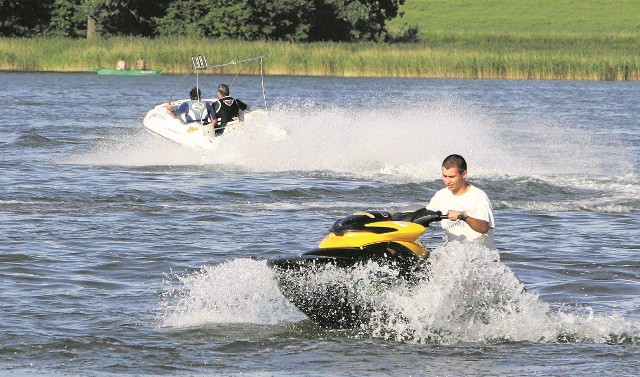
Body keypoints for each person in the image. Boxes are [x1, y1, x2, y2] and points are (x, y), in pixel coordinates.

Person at [426, 154, 495, 249]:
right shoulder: (440, 195)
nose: (447, 181)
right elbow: (425, 215)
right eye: (444, 176)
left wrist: (463, 217)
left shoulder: (479, 197)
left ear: (464, 174)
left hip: (479, 256)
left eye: (452, 177)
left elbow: (484, 228)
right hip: (454, 254)